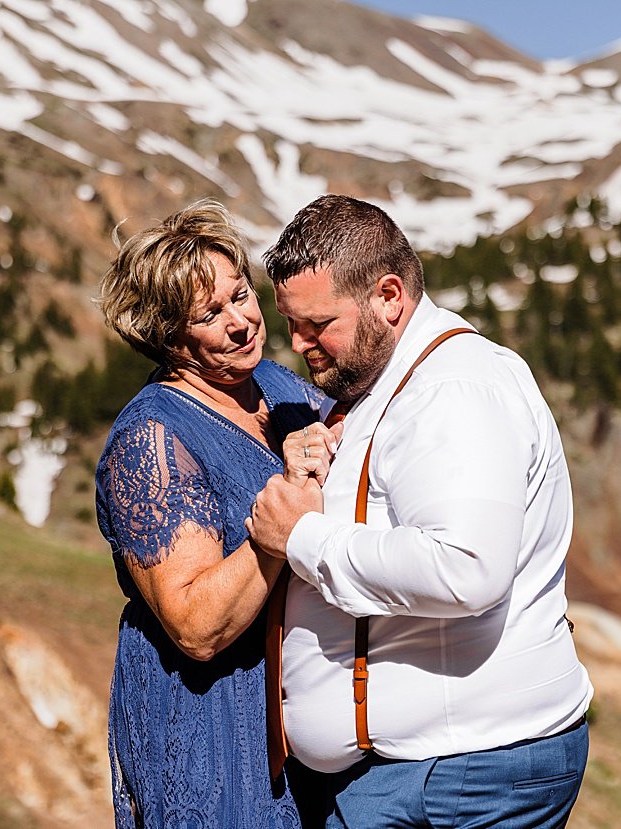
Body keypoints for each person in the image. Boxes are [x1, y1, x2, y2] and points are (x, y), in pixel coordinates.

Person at [247, 194, 594, 828]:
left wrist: (303, 537)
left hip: (459, 775)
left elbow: (464, 568)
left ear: (388, 296)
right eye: (289, 322)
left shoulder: (453, 390)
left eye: (318, 324)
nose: (297, 344)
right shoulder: (396, 377)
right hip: (436, 769)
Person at [94, 199, 325, 828]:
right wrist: (278, 527)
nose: (241, 322)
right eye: (210, 314)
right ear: (170, 338)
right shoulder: (153, 439)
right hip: (212, 720)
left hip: (296, 709)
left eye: (241, 294)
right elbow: (196, 626)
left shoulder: (282, 388)